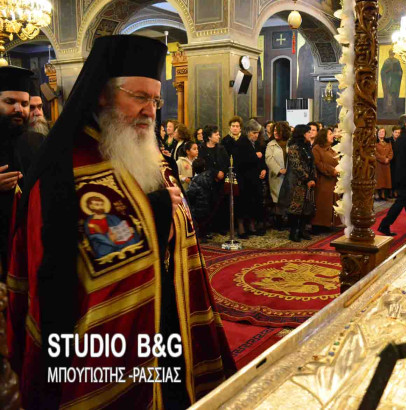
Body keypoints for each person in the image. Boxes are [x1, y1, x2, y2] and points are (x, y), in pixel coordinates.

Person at [6, 35, 235, 409]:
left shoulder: (151, 157)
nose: (150, 111)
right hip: (96, 346)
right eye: (139, 97)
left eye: (155, 100)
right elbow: (51, 277)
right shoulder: (61, 174)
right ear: (103, 95)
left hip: (167, 318)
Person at [0, 66, 44, 275]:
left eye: (25, 104)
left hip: (30, 240)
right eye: (10, 102)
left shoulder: (39, 142)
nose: (19, 109)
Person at [279, 124, 317, 242]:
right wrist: (307, 178)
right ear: (302, 134)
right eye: (308, 132)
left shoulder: (307, 146)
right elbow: (296, 166)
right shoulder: (294, 147)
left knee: (306, 207)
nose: (310, 134)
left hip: (308, 183)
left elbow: (312, 163)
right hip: (297, 183)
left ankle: (302, 230)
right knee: (295, 209)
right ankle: (293, 232)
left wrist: (313, 178)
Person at [234, 119, 267, 238]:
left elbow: (262, 160)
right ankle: (241, 228)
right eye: (254, 133)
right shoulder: (240, 143)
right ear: (247, 132)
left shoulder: (257, 143)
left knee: (254, 202)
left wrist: (263, 169)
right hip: (244, 179)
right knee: (243, 203)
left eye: (257, 133)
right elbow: (239, 162)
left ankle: (252, 226)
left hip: (255, 178)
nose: (256, 135)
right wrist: (255, 156)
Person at [200, 125, 229, 235]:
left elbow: (226, 162)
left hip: (221, 180)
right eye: (216, 134)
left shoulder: (221, 148)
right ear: (209, 137)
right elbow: (203, 164)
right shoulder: (202, 149)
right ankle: (209, 227)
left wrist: (222, 172)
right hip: (208, 181)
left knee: (221, 203)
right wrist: (215, 173)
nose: (219, 136)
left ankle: (221, 226)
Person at [312, 127, 341, 231]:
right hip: (323, 180)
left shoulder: (331, 149)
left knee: (331, 203)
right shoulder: (316, 148)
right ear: (323, 136)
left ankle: (328, 223)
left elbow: (337, 161)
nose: (333, 135)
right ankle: (318, 224)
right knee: (322, 203)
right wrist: (332, 170)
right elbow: (318, 163)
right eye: (330, 134)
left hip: (332, 180)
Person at [265, 121, 290, 230]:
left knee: (288, 197)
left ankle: (287, 219)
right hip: (277, 176)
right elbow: (269, 159)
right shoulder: (271, 144)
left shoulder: (290, 143)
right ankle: (278, 220)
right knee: (278, 198)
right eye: (274, 130)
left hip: (289, 176)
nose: (275, 132)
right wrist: (279, 170)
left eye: (277, 131)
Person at [186, 157, 217, 240]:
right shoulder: (209, 176)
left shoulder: (195, 181)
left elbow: (190, 194)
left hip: (197, 207)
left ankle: (200, 235)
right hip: (208, 205)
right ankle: (205, 234)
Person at [380, 49, 403, 114]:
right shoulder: (386, 62)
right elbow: (382, 72)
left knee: (393, 95)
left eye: (392, 53)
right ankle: (386, 109)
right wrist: (388, 69)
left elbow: (400, 72)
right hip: (387, 81)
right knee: (387, 95)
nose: (391, 54)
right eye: (390, 53)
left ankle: (393, 110)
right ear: (389, 53)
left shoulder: (397, 61)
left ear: (394, 54)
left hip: (394, 82)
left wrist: (396, 72)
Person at [375, 127, 393, 201]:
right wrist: (383, 159)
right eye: (380, 132)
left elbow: (391, 152)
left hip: (387, 164)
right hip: (378, 164)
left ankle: (383, 194)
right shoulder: (375, 143)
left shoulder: (388, 143)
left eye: (383, 132)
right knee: (379, 179)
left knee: (386, 179)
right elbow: (375, 153)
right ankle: (376, 194)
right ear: (377, 133)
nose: (381, 133)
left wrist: (388, 158)